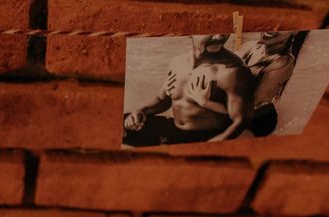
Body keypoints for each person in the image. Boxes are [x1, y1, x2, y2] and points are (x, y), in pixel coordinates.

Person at [124, 34, 254, 146]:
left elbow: (241, 120)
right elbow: (163, 101)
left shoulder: (232, 71)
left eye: (225, 31)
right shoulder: (177, 62)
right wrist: (141, 111)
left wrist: (216, 143)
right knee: (118, 125)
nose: (220, 37)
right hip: (173, 129)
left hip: (204, 136)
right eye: (212, 31)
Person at [238, 31, 297, 137]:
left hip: (255, 120)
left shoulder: (283, 62)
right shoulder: (252, 46)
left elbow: (256, 101)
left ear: (295, 31)